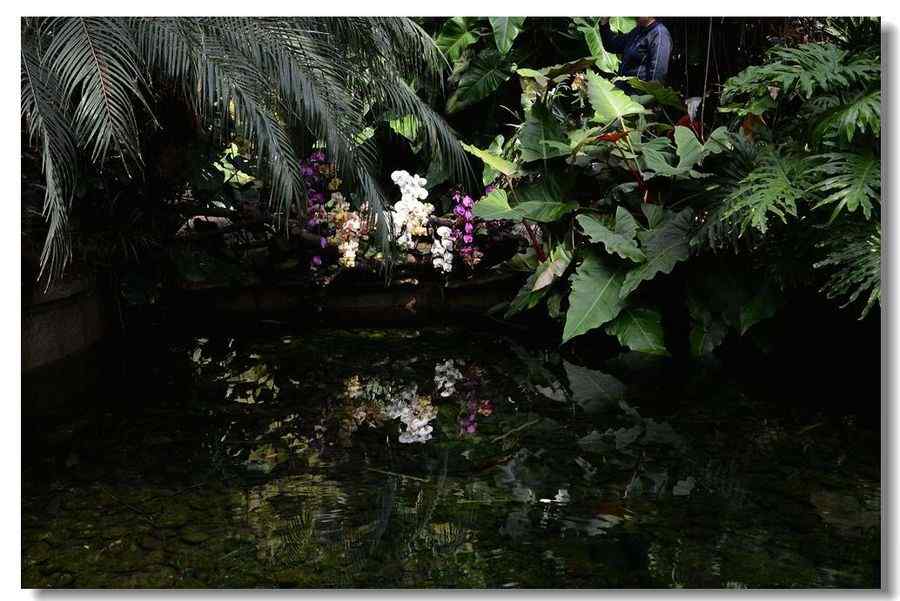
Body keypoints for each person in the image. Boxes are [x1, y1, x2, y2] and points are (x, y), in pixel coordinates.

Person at [599, 17, 672, 83]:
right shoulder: (637, 31)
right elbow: (613, 45)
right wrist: (604, 22)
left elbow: (658, 73)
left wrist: (650, 95)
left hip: (638, 94)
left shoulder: (659, 34)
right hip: (624, 89)